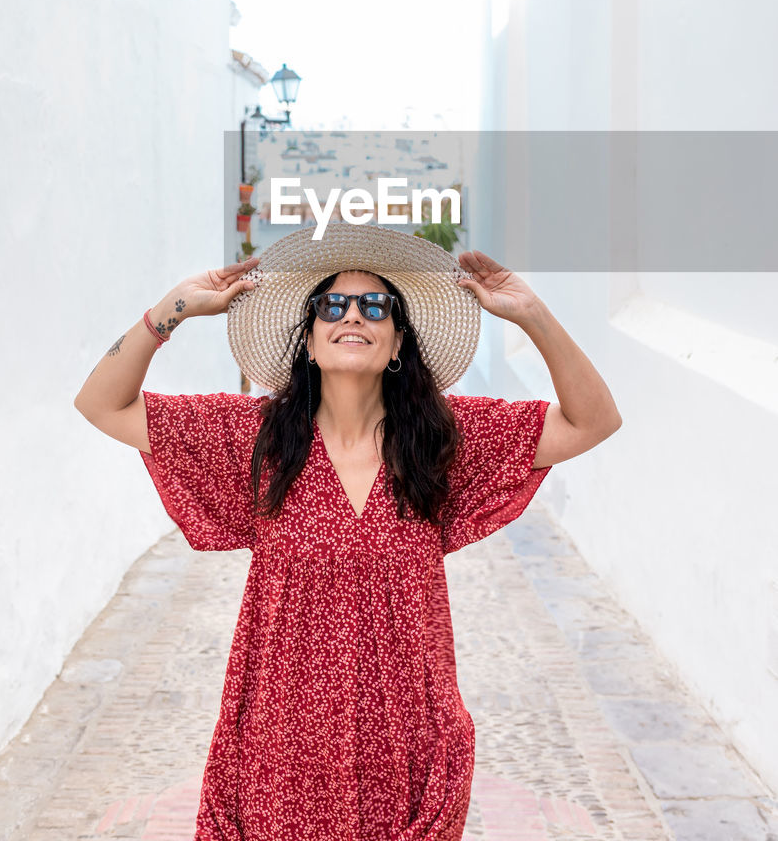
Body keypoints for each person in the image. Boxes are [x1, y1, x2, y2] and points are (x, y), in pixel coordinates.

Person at [74, 221, 622, 840]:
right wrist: (172, 308)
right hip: (280, 756)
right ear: (309, 340)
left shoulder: (442, 442)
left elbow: (592, 421)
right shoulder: (254, 439)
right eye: (332, 304)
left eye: (375, 306)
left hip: (405, 751)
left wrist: (533, 318)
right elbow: (102, 404)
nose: (352, 315)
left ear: (395, 346)